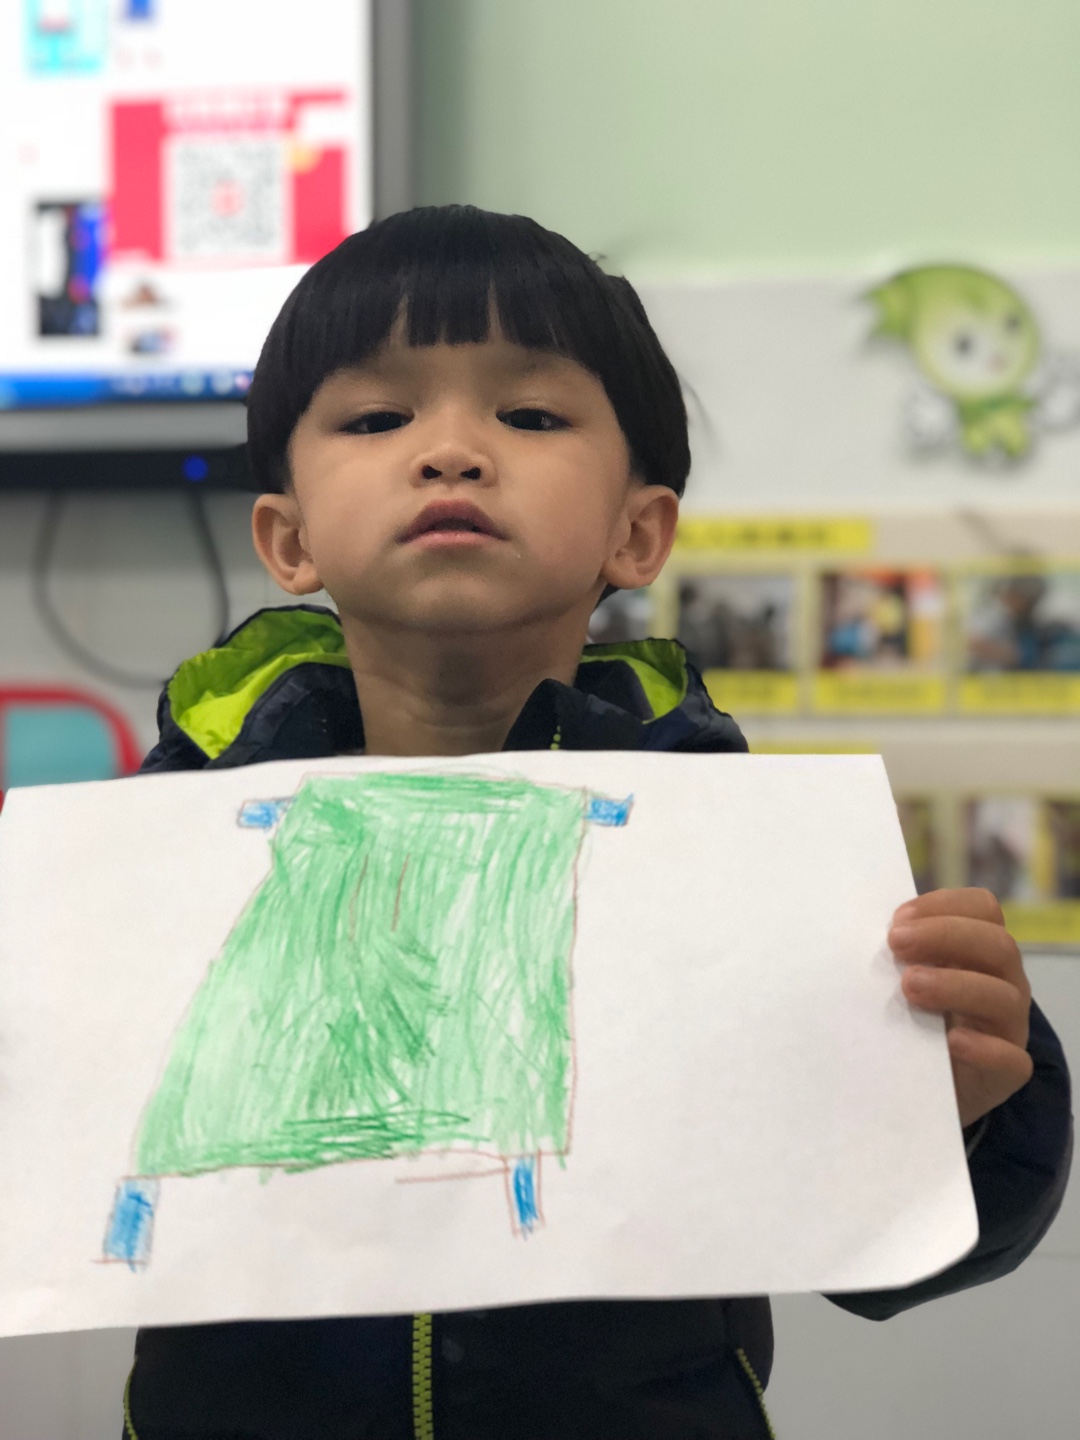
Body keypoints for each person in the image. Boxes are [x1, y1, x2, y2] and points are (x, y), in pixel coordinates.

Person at [123, 206, 1072, 1440]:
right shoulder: (158, 846)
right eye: (376, 417)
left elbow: (889, 1262)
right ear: (288, 539)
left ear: (639, 532)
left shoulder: (741, 848)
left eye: (529, 415)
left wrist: (965, 1115)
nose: (451, 452)